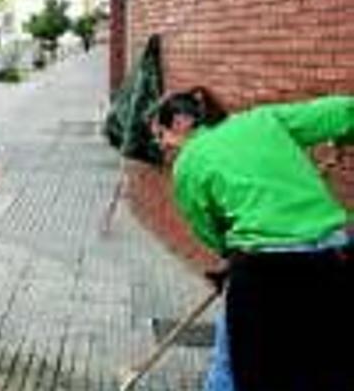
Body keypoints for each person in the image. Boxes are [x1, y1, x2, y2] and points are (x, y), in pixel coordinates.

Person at [150, 89, 354, 390]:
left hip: (264, 273)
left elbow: (208, 229)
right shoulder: (263, 120)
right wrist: (342, 137)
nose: (161, 145)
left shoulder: (188, 163)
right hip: (332, 258)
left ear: (181, 122)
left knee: (233, 369)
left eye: (160, 134)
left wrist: (230, 260)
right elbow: (345, 110)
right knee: (328, 365)